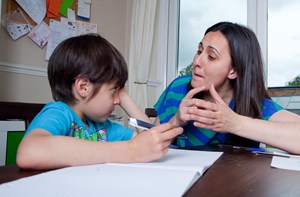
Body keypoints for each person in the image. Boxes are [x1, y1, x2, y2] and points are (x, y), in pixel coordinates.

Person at [16, 34, 183, 170]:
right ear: (83, 87)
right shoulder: (59, 113)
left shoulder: (100, 127)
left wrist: (123, 96)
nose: (117, 100)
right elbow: (29, 152)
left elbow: (148, 141)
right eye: (113, 91)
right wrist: (132, 150)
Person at [154, 21, 300, 154]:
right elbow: (149, 141)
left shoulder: (251, 104)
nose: (197, 61)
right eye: (199, 51)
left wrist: (234, 123)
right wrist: (176, 121)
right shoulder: (178, 88)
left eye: (211, 56)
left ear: (233, 71)